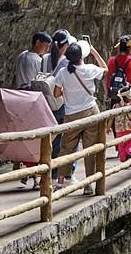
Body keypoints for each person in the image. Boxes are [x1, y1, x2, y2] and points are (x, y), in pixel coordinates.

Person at [54, 43, 108, 195]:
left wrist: (68, 91)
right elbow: (106, 70)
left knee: (67, 148)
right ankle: (88, 185)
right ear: (82, 57)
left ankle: (59, 182)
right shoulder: (90, 69)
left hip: (71, 115)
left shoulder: (63, 72)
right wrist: (94, 52)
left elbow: (56, 94)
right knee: (90, 149)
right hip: (90, 113)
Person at [41, 30, 77, 180]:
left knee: (52, 139)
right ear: (66, 45)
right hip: (62, 104)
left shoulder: (44, 58)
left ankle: (50, 171)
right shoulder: (66, 62)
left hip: (47, 104)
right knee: (67, 140)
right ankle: (63, 173)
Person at [106, 35, 131, 104]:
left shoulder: (111, 61)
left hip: (115, 96)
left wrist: (109, 94)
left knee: (114, 114)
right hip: (129, 97)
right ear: (130, 49)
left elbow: (108, 80)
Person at [109, 87, 131, 162]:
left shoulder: (115, 106)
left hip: (119, 129)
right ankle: (130, 152)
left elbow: (111, 117)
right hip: (130, 128)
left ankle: (124, 158)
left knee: (121, 145)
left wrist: (108, 127)